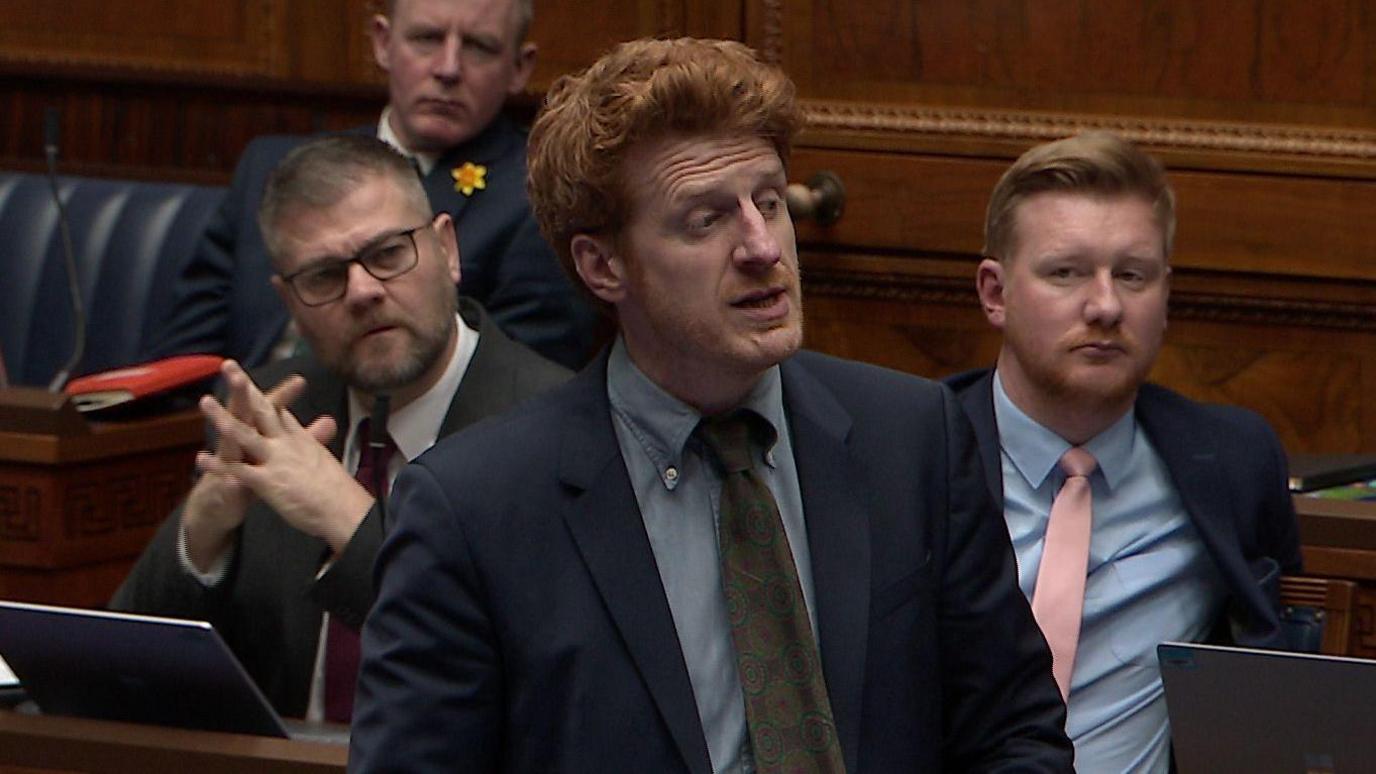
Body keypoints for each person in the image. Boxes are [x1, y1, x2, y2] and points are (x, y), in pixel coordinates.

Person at [349, 37, 1073, 773]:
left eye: (768, 201)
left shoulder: (913, 437)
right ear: (604, 266)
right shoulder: (474, 511)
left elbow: (1015, 735)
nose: (762, 247)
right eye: (705, 220)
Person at [111, 135, 570, 722]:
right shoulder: (271, 411)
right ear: (289, 301)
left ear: (447, 249)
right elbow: (126, 668)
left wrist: (352, 525)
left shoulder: (552, 425)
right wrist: (201, 533)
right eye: (325, 276)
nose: (363, 292)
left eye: (387, 253)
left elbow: (519, 674)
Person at [945, 131, 1302, 772]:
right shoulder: (915, 451)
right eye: (1066, 272)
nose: (1106, 305)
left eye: (1133, 275)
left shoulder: (1232, 459)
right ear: (995, 294)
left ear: (1165, 298)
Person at [146, 0, 597, 371]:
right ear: (382, 43)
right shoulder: (274, 169)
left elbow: (517, 390)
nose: (448, 68)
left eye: (479, 47)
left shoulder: (539, 195)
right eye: (426, 39)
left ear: (519, 68)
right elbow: (183, 360)